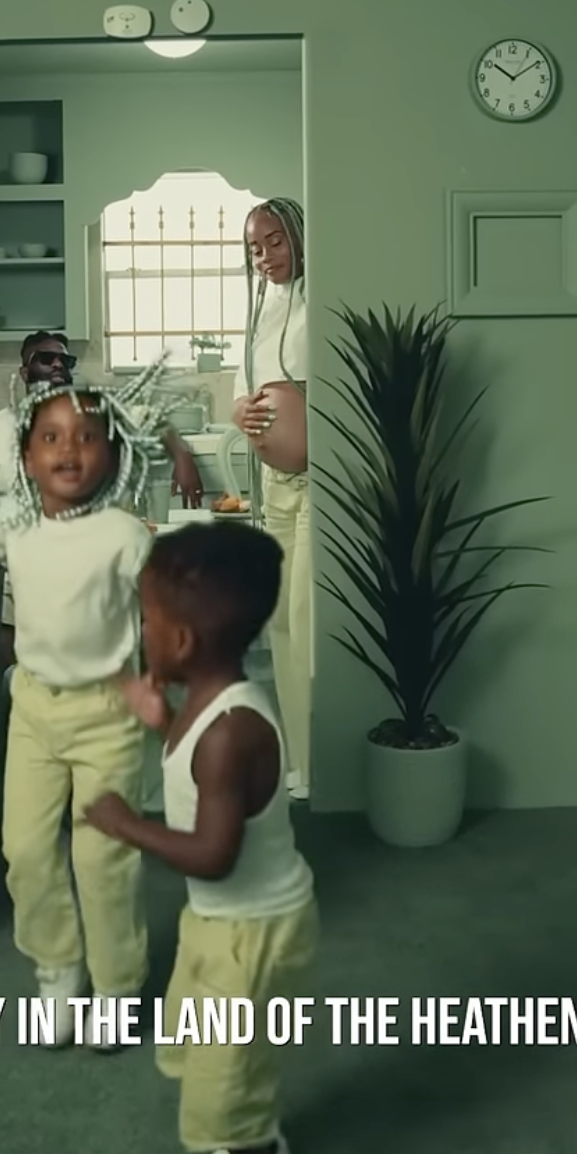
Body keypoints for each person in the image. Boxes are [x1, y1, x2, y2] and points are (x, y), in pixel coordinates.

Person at [84, 522, 321, 1154]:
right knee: (206, 1050)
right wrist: (161, 725)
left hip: (251, 931)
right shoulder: (210, 706)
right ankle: (238, 1140)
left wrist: (125, 824)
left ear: (181, 642)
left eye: (147, 619)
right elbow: (197, 784)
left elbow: (212, 852)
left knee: (227, 1084)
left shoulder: (230, 732)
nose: (141, 631)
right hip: (219, 923)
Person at [0, 360, 174, 1049]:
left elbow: (160, 616)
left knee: (102, 856)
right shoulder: (13, 520)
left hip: (107, 714)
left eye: (85, 436)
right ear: (27, 455)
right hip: (33, 713)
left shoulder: (123, 534)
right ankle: (58, 967)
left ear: (111, 451)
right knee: (23, 848)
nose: (68, 450)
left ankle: (115, 986)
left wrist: (153, 680)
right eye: (50, 438)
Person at [0, 330, 205, 669]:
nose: (58, 364)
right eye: (46, 359)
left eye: (65, 359)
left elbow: (153, 420)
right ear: (24, 372)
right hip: (21, 565)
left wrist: (183, 457)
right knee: (11, 655)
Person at [231, 199, 311, 801]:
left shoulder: (323, 298)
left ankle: (320, 762)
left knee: (309, 621)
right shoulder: (260, 311)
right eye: (256, 247)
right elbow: (244, 395)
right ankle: (301, 759)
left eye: (276, 241)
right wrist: (241, 411)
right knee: (281, 622)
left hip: (318, 488)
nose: (265, 257)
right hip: (275, 488)